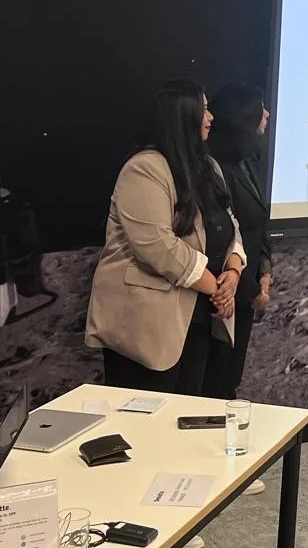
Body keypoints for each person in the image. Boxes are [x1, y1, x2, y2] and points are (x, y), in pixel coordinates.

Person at [86, 80, 247, 395]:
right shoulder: (144, 169)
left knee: (187, 411)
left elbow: (230, 224)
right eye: (203, 109)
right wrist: (217, 289)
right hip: (148, 327)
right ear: (182, 116)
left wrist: (234, 269)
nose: (211, 117)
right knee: (145, 418)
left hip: (199, 317)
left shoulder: (208, 167)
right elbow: (158, 247)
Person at [202, 83, 274, 400]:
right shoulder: (214, 170)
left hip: (246, 290)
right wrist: (251, 291)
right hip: (224, 296)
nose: (267, 114)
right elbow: (221, 240)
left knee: (228, 379)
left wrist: (265, 271)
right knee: (214, 384)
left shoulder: (247, 162)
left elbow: (258, 223)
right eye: (259, 109)